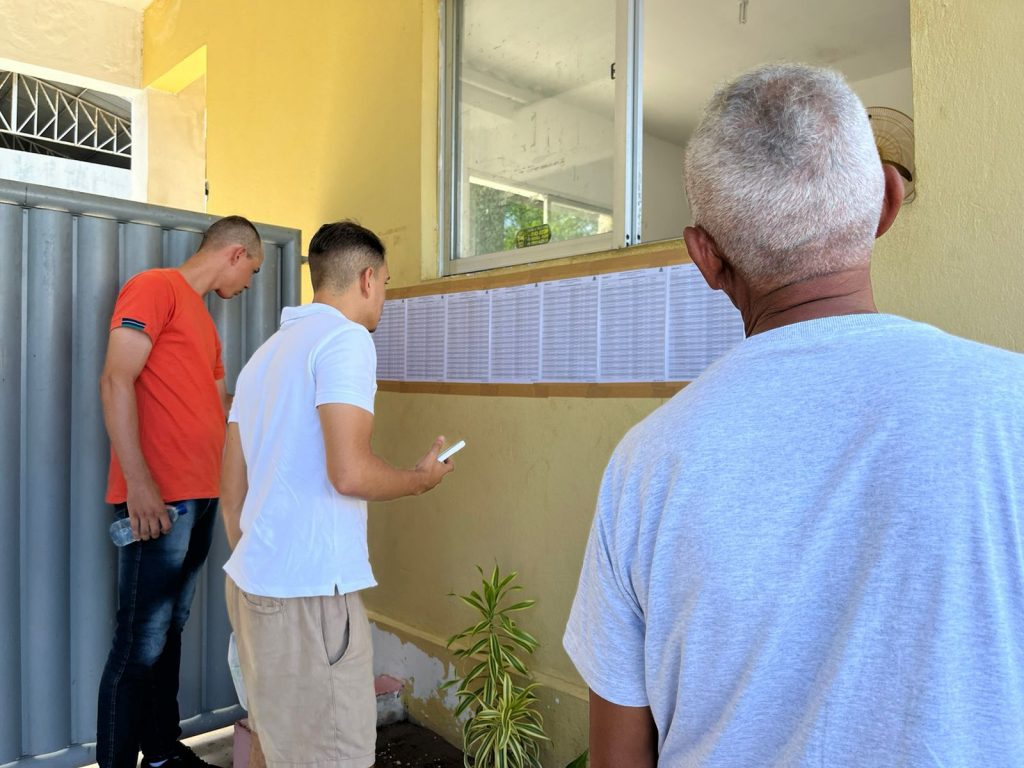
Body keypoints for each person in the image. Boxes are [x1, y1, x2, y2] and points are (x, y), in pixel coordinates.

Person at [563, 63, 1024, 766]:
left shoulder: (646, 463)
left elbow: (618, 758)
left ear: (706, 258)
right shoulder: (1011, 408)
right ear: (888, 204)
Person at [220, 220, 454, 768]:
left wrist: (260, 562)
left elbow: (230, 489)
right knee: (333, 755)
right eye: (389, 283)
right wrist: (421, 479)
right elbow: (348, 473)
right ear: (367, 279)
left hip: (255, 585)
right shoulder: (346, 339)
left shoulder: (265, 356)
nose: (385, 298)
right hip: (310, 596)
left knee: (275, 746)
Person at [97, 215, 265, 768]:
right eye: (253, 271)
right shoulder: (155, 287)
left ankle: (164, 753)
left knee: (169, 634)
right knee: (138, 645)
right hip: (159, 498)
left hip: (201, 497)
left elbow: (223, 408)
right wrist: (139, 483)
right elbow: (116, 379)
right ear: (235, 253)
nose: (249, 286)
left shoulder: (205, 322)